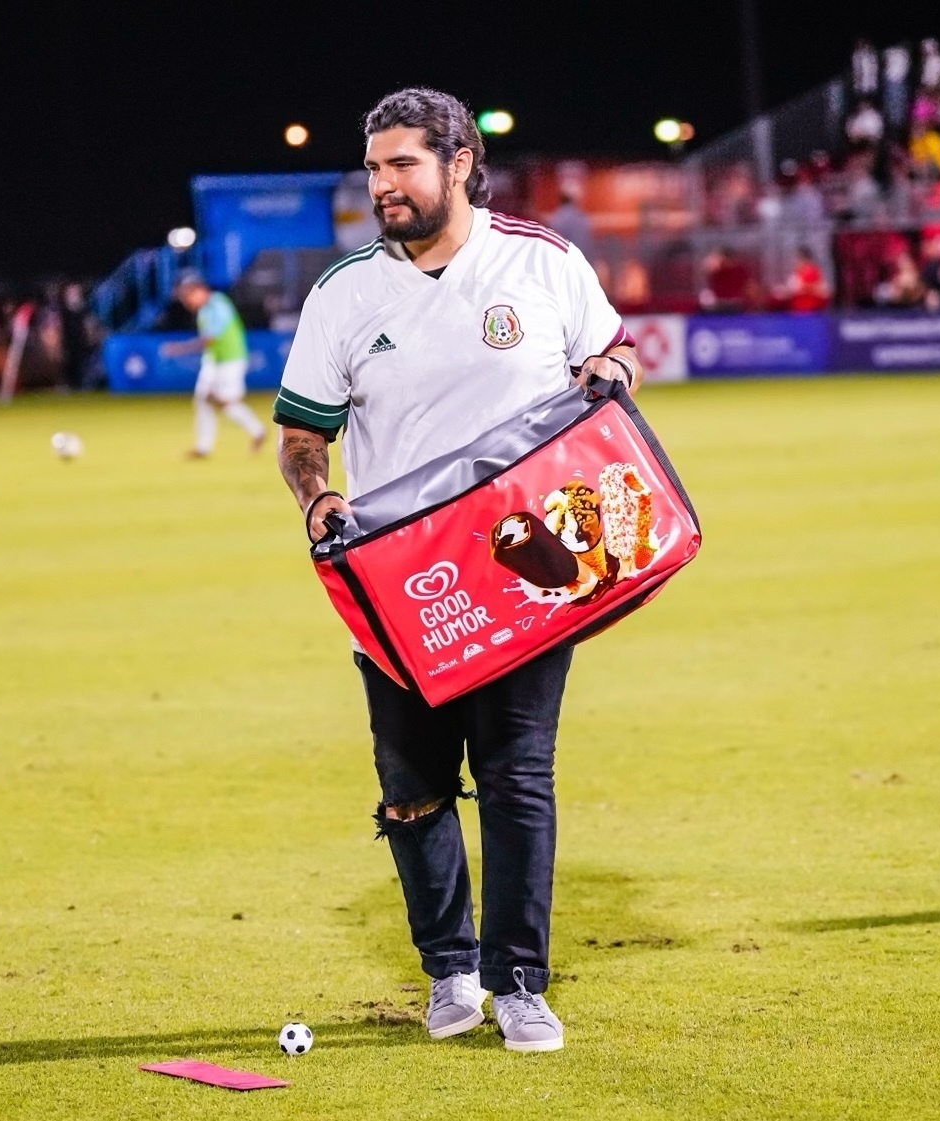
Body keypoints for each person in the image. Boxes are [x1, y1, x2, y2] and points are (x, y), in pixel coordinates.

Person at [271, 87, 641, 1054]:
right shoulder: (344, 292)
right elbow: (302, 432)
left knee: (519, 777)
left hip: (525, 567)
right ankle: (449, 968)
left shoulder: (543, 261)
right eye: (373, 167)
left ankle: (522, 982)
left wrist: (612, 374)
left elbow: (613, 350)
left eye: (401, 165)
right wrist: (317, 497)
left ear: (461, 162)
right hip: (397, 576)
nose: (381, 184)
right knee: (413, 786)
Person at [163, 272, 266, 457]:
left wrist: (180, 348)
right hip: (214, 360)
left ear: (199, 290)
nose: (187, 303)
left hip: (231, 360)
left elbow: (210, 338)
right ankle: (203, 447)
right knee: (204, 400)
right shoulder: (204, 309)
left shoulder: (218, 304)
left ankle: (257, 431)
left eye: (188, 296)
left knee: (225, 403)